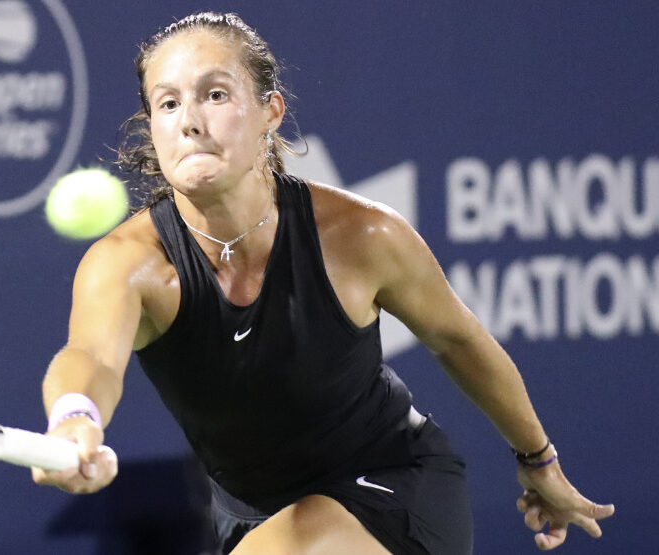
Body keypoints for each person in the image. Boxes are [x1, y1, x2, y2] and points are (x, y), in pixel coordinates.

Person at [32, 11, 614, 554]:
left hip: (391, 484)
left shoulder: (361, 235)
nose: (190, 121)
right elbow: (91, 358)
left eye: (215, 95)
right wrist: (75, 418)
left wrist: (538, 461)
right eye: (168, 103)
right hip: (250, 517)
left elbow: (458, 339)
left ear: (270, 112)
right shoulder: (130, 264)